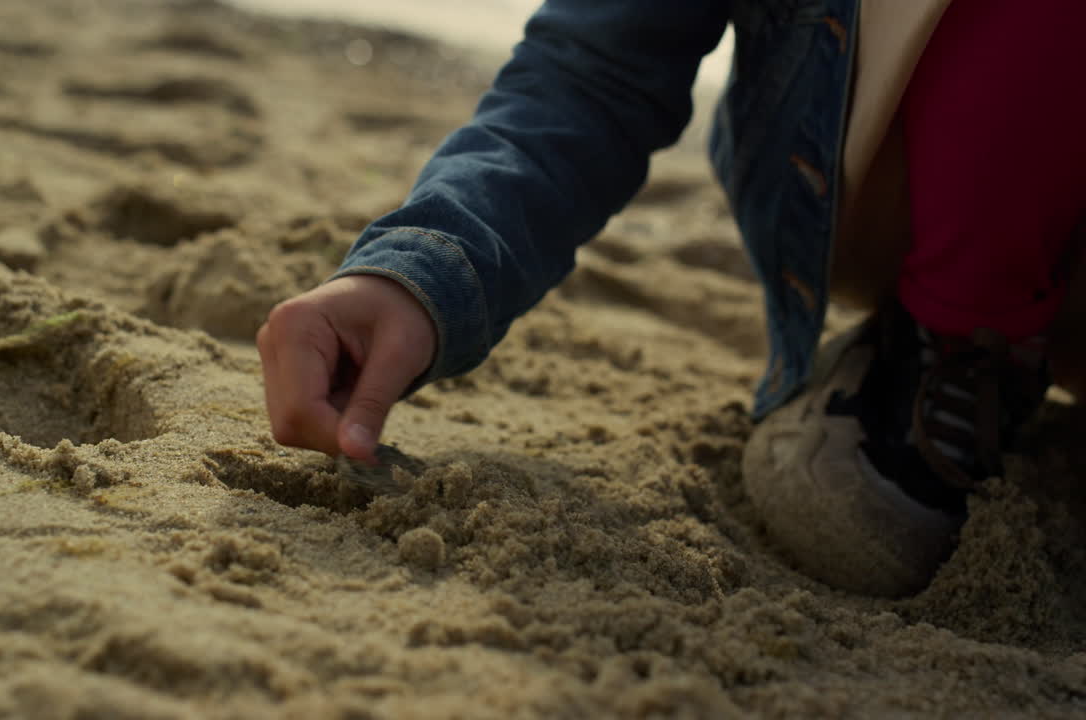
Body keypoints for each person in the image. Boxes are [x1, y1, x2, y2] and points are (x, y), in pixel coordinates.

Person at [256, 0, 1086, 597]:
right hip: (907, 179)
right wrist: (417, 272)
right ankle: (955, 330)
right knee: (859, 521)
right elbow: (599, 71)